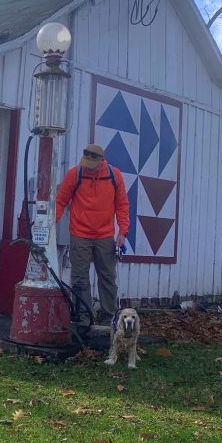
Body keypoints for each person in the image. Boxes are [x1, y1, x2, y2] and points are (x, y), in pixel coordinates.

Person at [54, 143, 129, 336]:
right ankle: (83, 319)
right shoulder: (75, 174)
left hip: (105, 235)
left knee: (108, 278)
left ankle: (108, 319)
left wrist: (122, 232)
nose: (88, 167)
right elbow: (60, 201)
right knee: (79, 278)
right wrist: (50, 225)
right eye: (85, 162)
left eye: (92, 164)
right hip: (79, 234)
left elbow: (122, 205)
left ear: (101, 161)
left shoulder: (114, 175)